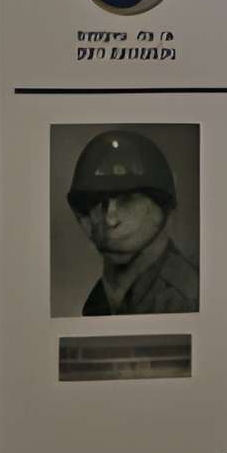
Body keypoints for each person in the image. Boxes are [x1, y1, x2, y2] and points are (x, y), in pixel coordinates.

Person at [67, 129, 199, 314]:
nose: (109, 219)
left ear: (161, 204)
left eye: (127, 199)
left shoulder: (184, 297)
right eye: (97, 201)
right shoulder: (99, 299)